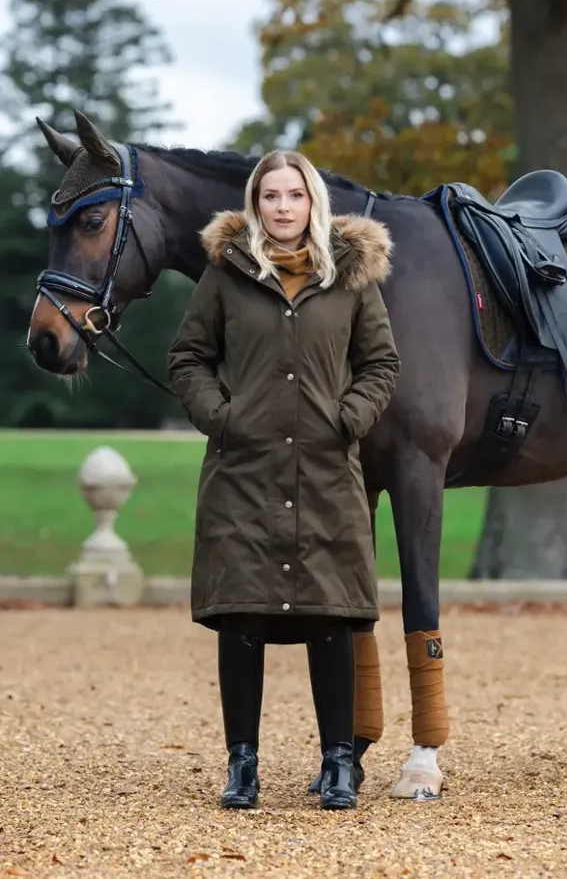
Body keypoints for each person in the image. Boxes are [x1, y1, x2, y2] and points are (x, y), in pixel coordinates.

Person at [167, 150, 400, 811]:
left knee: (333, 618)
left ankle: (338, 764)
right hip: (243, 472)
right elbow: (188, 357)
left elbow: (381, 362)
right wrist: (220, 416)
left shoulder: (351, 280)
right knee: (241, 616)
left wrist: (347, 418)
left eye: (293, 195)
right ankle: (242, 765)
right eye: (269, 195)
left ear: (312, 203)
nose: (281, 207)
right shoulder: (225, 276)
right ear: (255, 203)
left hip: (327, 472)